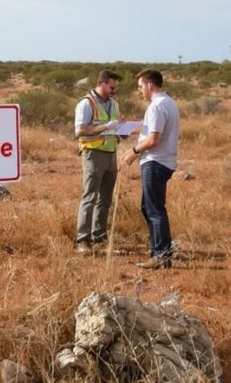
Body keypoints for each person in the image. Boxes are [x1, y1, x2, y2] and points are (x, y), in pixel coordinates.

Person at [122, 69, 180, 269]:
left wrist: (133, 151)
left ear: (149, 85)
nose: (139, 91)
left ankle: (161, 255)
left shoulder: (156, 106)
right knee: (149, 207)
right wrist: (131, 128)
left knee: (154, 210)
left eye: (140, 87)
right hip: (162, 161)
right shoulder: (168, 103)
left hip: (155, 162)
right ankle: (159, 250)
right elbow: (153, 130)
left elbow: (154, 139)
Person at [74, 69, 123, 254]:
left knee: (105, 198)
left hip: (111, 153)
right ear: (102, 83)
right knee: (90, 196)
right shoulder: (86, 104)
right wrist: (104, 127)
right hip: (93, 154)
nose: (113, 90)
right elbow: (80, 131)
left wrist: (122, 130)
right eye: (111, 87)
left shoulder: (114, 104)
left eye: (115, 88)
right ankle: (83, 240)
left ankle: (100, 237)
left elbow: (116, 127)